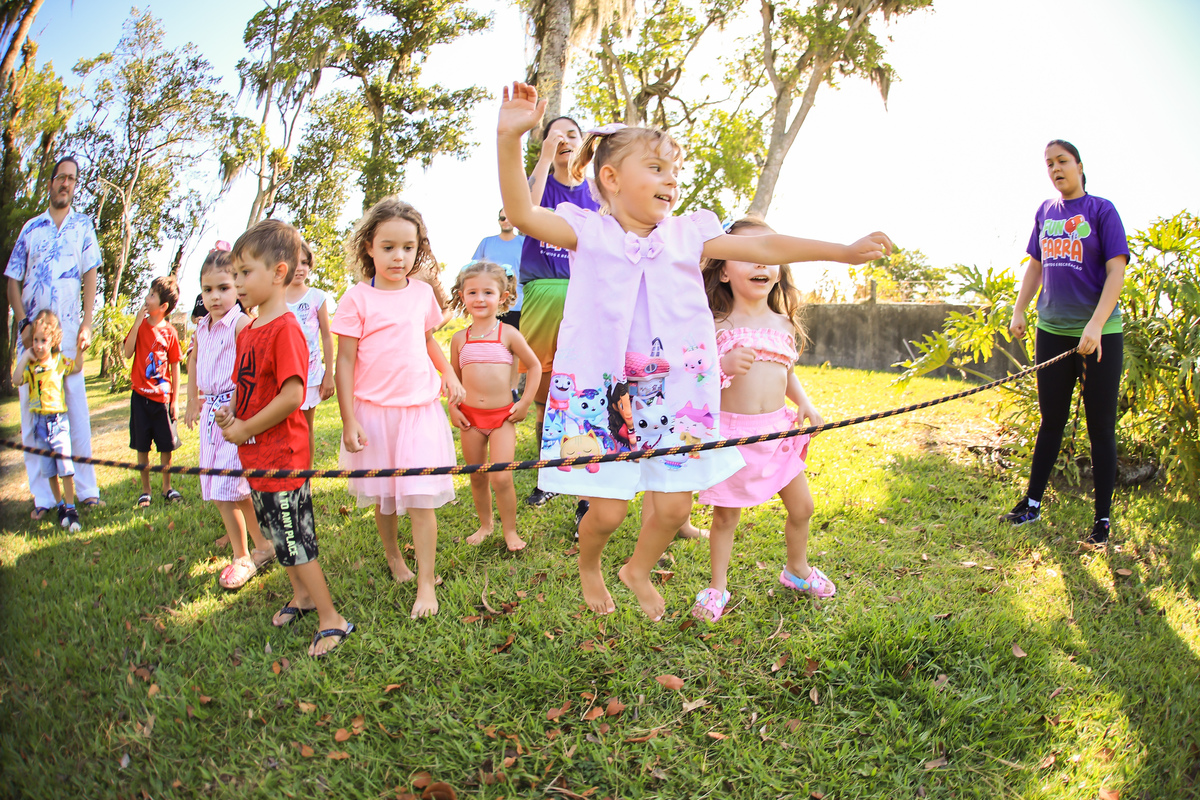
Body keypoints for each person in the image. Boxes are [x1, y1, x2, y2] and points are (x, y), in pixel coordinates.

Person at [497, 81, 891, 620]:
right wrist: (509, 139)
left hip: (675, 396)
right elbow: (521, 214)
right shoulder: (587, 232)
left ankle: (636, 569)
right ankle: (591, 565)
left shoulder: (687, 235)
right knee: (607, 513)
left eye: (674, 170)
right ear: (611, 178)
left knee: (673, 507)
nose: (671, 179)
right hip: (603, 394)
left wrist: (841, 251)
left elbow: (763, 244)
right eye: (656, 168)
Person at [215, 218, 351, 657]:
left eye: (245, 272)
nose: (237, 283)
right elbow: (249, 387)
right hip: (256, 457)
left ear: (278, 273)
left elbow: (293, 395)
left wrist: (245, 429)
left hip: (283, 458)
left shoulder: (287, 328)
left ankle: (332, 619)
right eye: (234, 274)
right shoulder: (250, 329)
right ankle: (303, 596)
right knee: (276, 534)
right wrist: (232, 412)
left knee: (296, 540)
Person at [691, 219, 833, 622]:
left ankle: (797, 569)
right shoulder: (715, 325)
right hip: (731, 438)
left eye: (766, 255)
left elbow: (786, 371)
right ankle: (717, 586)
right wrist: (722, 365)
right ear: (723, 271)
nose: (760, 263)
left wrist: (804, 403)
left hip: (778, 433)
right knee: (725, 517)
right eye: (746, 254)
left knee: (803, 507)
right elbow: (695, 379)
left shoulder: (782, 323)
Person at [332, 197, 466, 619]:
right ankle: (394, 556)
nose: (399, 257)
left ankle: (426, 583)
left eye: (408, 247)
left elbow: (426, 340)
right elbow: (344, 362)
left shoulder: (422, 294)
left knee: (421, 497)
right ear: (369, 247)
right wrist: (348, 419)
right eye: (388, 247)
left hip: (420, 411)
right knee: (384, 495)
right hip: (374, 413)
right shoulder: (356, 299)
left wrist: (448, 372)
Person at [1006, 139, 1129, 546]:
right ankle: (1031, 504)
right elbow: (1036, 265)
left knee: (1101, 428)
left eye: (1062, 161)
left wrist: (1095, 325)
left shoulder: (1101, 210)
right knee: (1051, 420)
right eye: (1049, 164)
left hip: (1099, 335)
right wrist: (1020, 309)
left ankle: (1102, 522)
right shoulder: (1045, 212)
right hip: (1053, 332)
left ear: (1079, 165)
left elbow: (1116, 271)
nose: (1055, 168)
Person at [6, 155, 104, 515]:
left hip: (68, 335)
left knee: (76, 414)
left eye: (72, 179)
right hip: (34, 340)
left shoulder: (83, 226)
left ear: (75, 186)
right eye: (61, 177)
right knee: (32, 419)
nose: (65, 183)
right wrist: (23, 323)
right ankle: (44, 498)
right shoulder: (31, 229)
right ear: (50, 182)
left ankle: (86, 489)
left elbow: (91, 273)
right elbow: (12, 279)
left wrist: (87, 322)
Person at [518, 115, 601, 508]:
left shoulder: (597, 189)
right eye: (555, 135)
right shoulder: (541, 183)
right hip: (543, 290)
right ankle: (546, 475)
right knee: (544, 387)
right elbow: (525, 209)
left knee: (586, 385)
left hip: (587, 293)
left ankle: (588, 473)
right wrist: (546, 155)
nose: (564, 140)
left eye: (572, 134)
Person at [184, 245, 276, 590]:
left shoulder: (241, 324)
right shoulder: (202, 327)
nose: (214, 296)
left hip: (233, 413)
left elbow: (251, 372)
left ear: (237, 287)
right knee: (221, 488)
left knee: (231, 488)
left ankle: (246, 554)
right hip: (211, 414)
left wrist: (237, 408)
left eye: (223, 288)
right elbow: (194, 362)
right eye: (207, 289)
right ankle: (258, 547)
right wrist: (192, 400)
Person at [447, 260, 541, 552]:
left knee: (501, 477)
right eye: (472, 292)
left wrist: (525, 402)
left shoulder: (508, 334)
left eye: (487, 292)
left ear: (502, 297)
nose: (480, 299)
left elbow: (535, 366)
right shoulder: (459, 339)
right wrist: (453, 407)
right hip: (470, 419)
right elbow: (453, 378)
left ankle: (510, 531)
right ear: (462, 296)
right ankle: (486, 525)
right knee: (477, 475)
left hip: (502, 419)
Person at [12, 310, 85, 532]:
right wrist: (25, 356)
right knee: (49, 469)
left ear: (53, 340)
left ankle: (71, 508)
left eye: (43, 340)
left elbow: (77, 367)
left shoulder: (59, 361)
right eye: (35, 340)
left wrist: (80, 351)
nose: (38, 345)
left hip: (58, 422)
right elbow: (16, 380)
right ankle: (60, 505)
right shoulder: (31, 367)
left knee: (65, 468)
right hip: (39, 424)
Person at [123, 275, 183, 507]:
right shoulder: (139, 327)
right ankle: (145, 490)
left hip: (162, 399)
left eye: (152, 295)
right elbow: (128, 353)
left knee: (166, 445)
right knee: (142, 445)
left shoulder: (170, 333)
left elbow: (175, 365)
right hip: (140, 397)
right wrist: (137, 323)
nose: (147, 299)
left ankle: (167, 487)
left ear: (163, 306)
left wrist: (175, 400)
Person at [286, 240, 336, 465]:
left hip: (311, 375)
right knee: (285, 430)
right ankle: (287, 476)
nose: (300, 268)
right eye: (295, 262)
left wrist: (328, 374)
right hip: (283, 377)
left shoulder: (317, 297)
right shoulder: (275, 297)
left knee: (305, 429)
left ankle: (305, 477)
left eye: (305, 263)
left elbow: (326, 336)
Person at [472, 207, 527, 399]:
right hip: (490, 304)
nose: (505, 221)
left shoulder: (523, 243)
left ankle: (513, 389)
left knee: (515, 348)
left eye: (508, 217)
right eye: (502, 218)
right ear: (498, 220)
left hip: (517, 303)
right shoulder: (487, 243)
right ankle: (488, 386)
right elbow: (474, 269)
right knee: (488, 344)